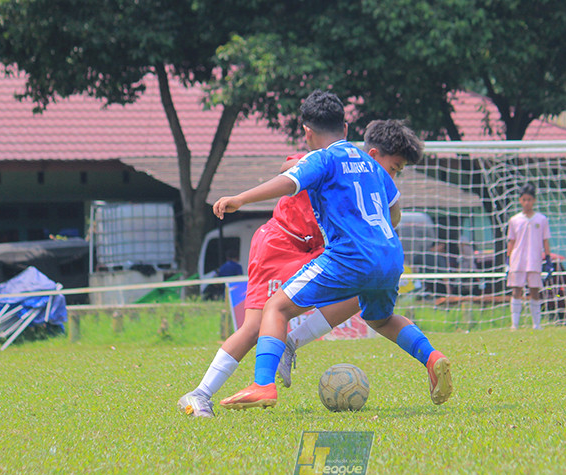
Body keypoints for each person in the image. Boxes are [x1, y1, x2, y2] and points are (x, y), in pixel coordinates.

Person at [178, 117, 445, 416]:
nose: (392, 175)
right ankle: (202, 393)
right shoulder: (326, 158)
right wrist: (245, 196)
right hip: (281, 244)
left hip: (326, 250)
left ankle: (286, 348)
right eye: (394, 168)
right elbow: (288, 171)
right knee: (258, 323)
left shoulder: (368, 171)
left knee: (355, 298)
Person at [506, 183, 551, 330]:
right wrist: (508, 260)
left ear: (534, 200)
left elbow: (545, 240)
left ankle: (536, 324)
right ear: (520, 200)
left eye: (530, 199)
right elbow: (511, 241)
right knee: (516, 290)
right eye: (524, 199)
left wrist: (548, 258)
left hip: (534, 259)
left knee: (534, 290)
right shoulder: (514, 219)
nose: (527, 203)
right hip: (517, 260)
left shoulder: (541, 219)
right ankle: (515, 325)